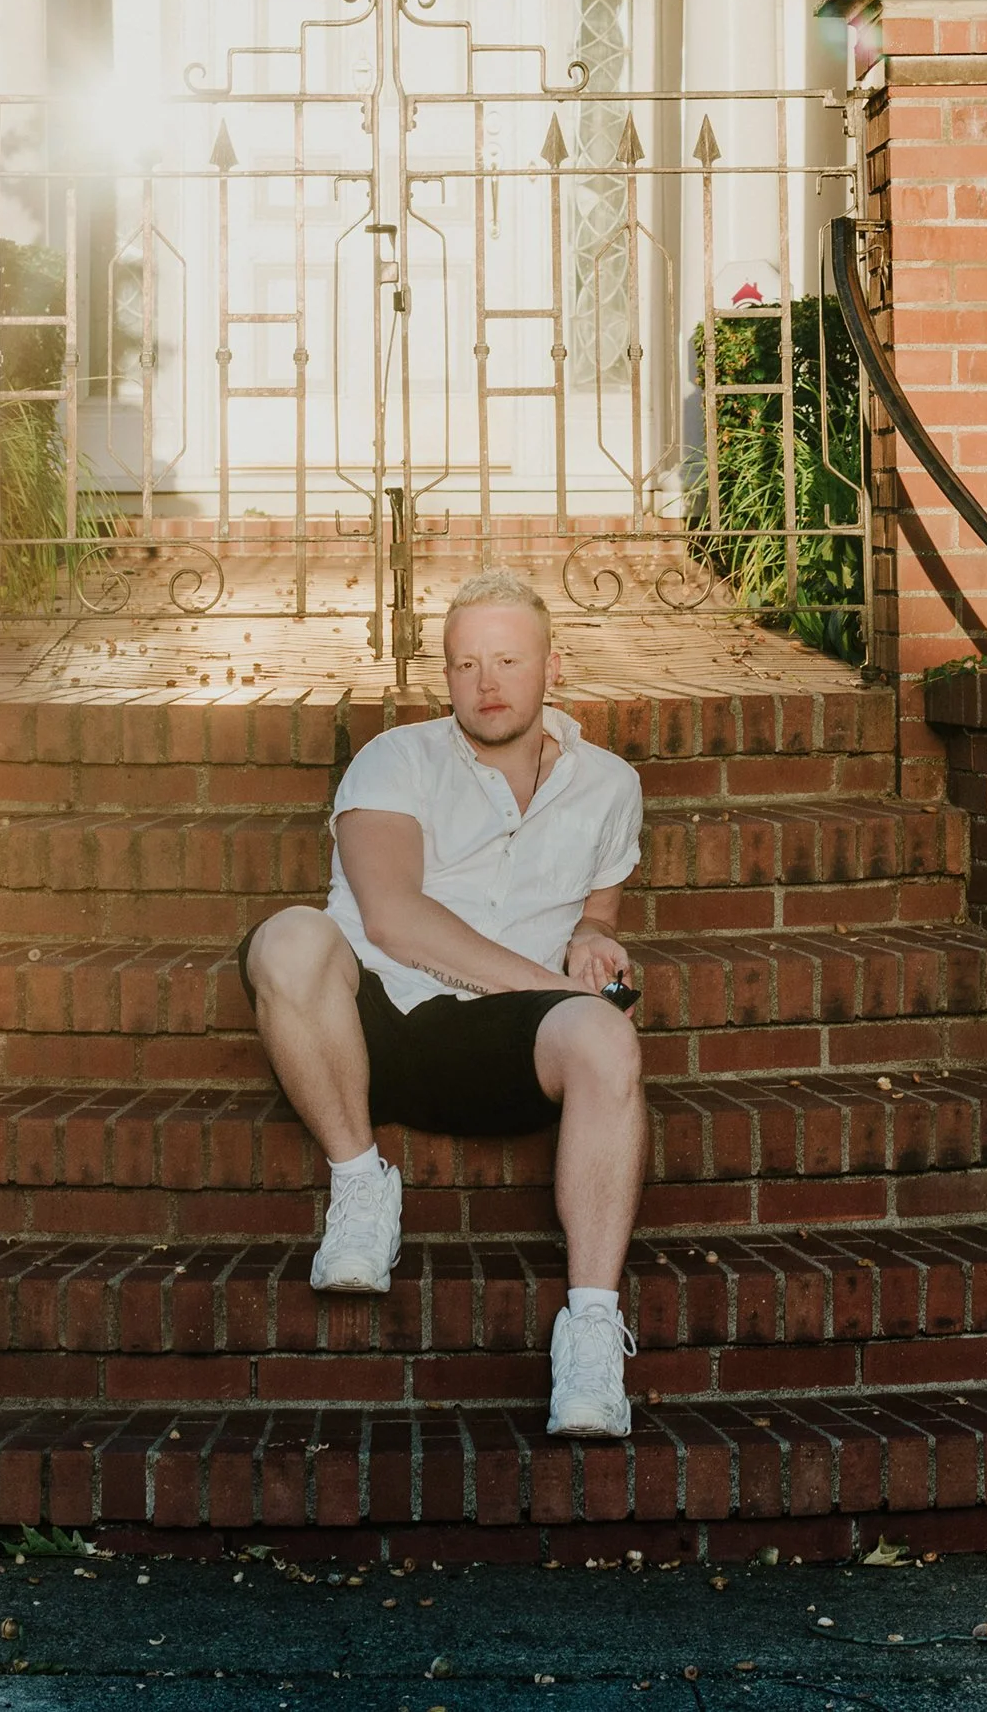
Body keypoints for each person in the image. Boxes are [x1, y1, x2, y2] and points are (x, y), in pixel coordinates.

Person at [238, 569, 647, 1439]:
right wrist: (551, 983)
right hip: (373, 1019)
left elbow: (600, 905)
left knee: (605, 1042)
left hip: (498, 1039)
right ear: (445, 674)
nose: (486, 683)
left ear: (552, 667)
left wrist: (591, 937)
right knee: (288, 937)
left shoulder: (609, 784)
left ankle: (590, 1337)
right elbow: (392, 918)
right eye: (465, 664)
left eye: (507, 660)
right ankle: (361, 1184)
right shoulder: (396, 758)